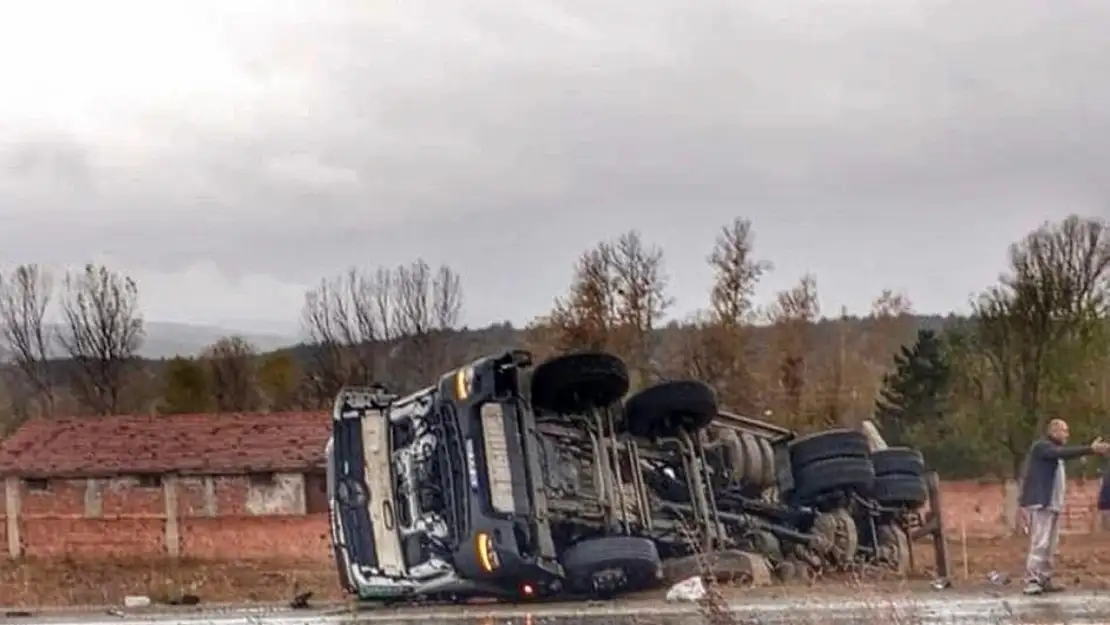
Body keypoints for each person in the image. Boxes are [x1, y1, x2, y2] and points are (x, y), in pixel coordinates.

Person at [1018, 419, 1110, 595]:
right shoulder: (1042, 447)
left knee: (1051, 544)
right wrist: (1090, 449)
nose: (1067, 435)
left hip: (1053, 505)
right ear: (1054, 431)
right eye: (1064, 431)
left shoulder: (1055, 453)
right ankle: (1032, 579)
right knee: (1040, 542)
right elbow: (1062, 453)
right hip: (1041, 504)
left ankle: (1045, 578)